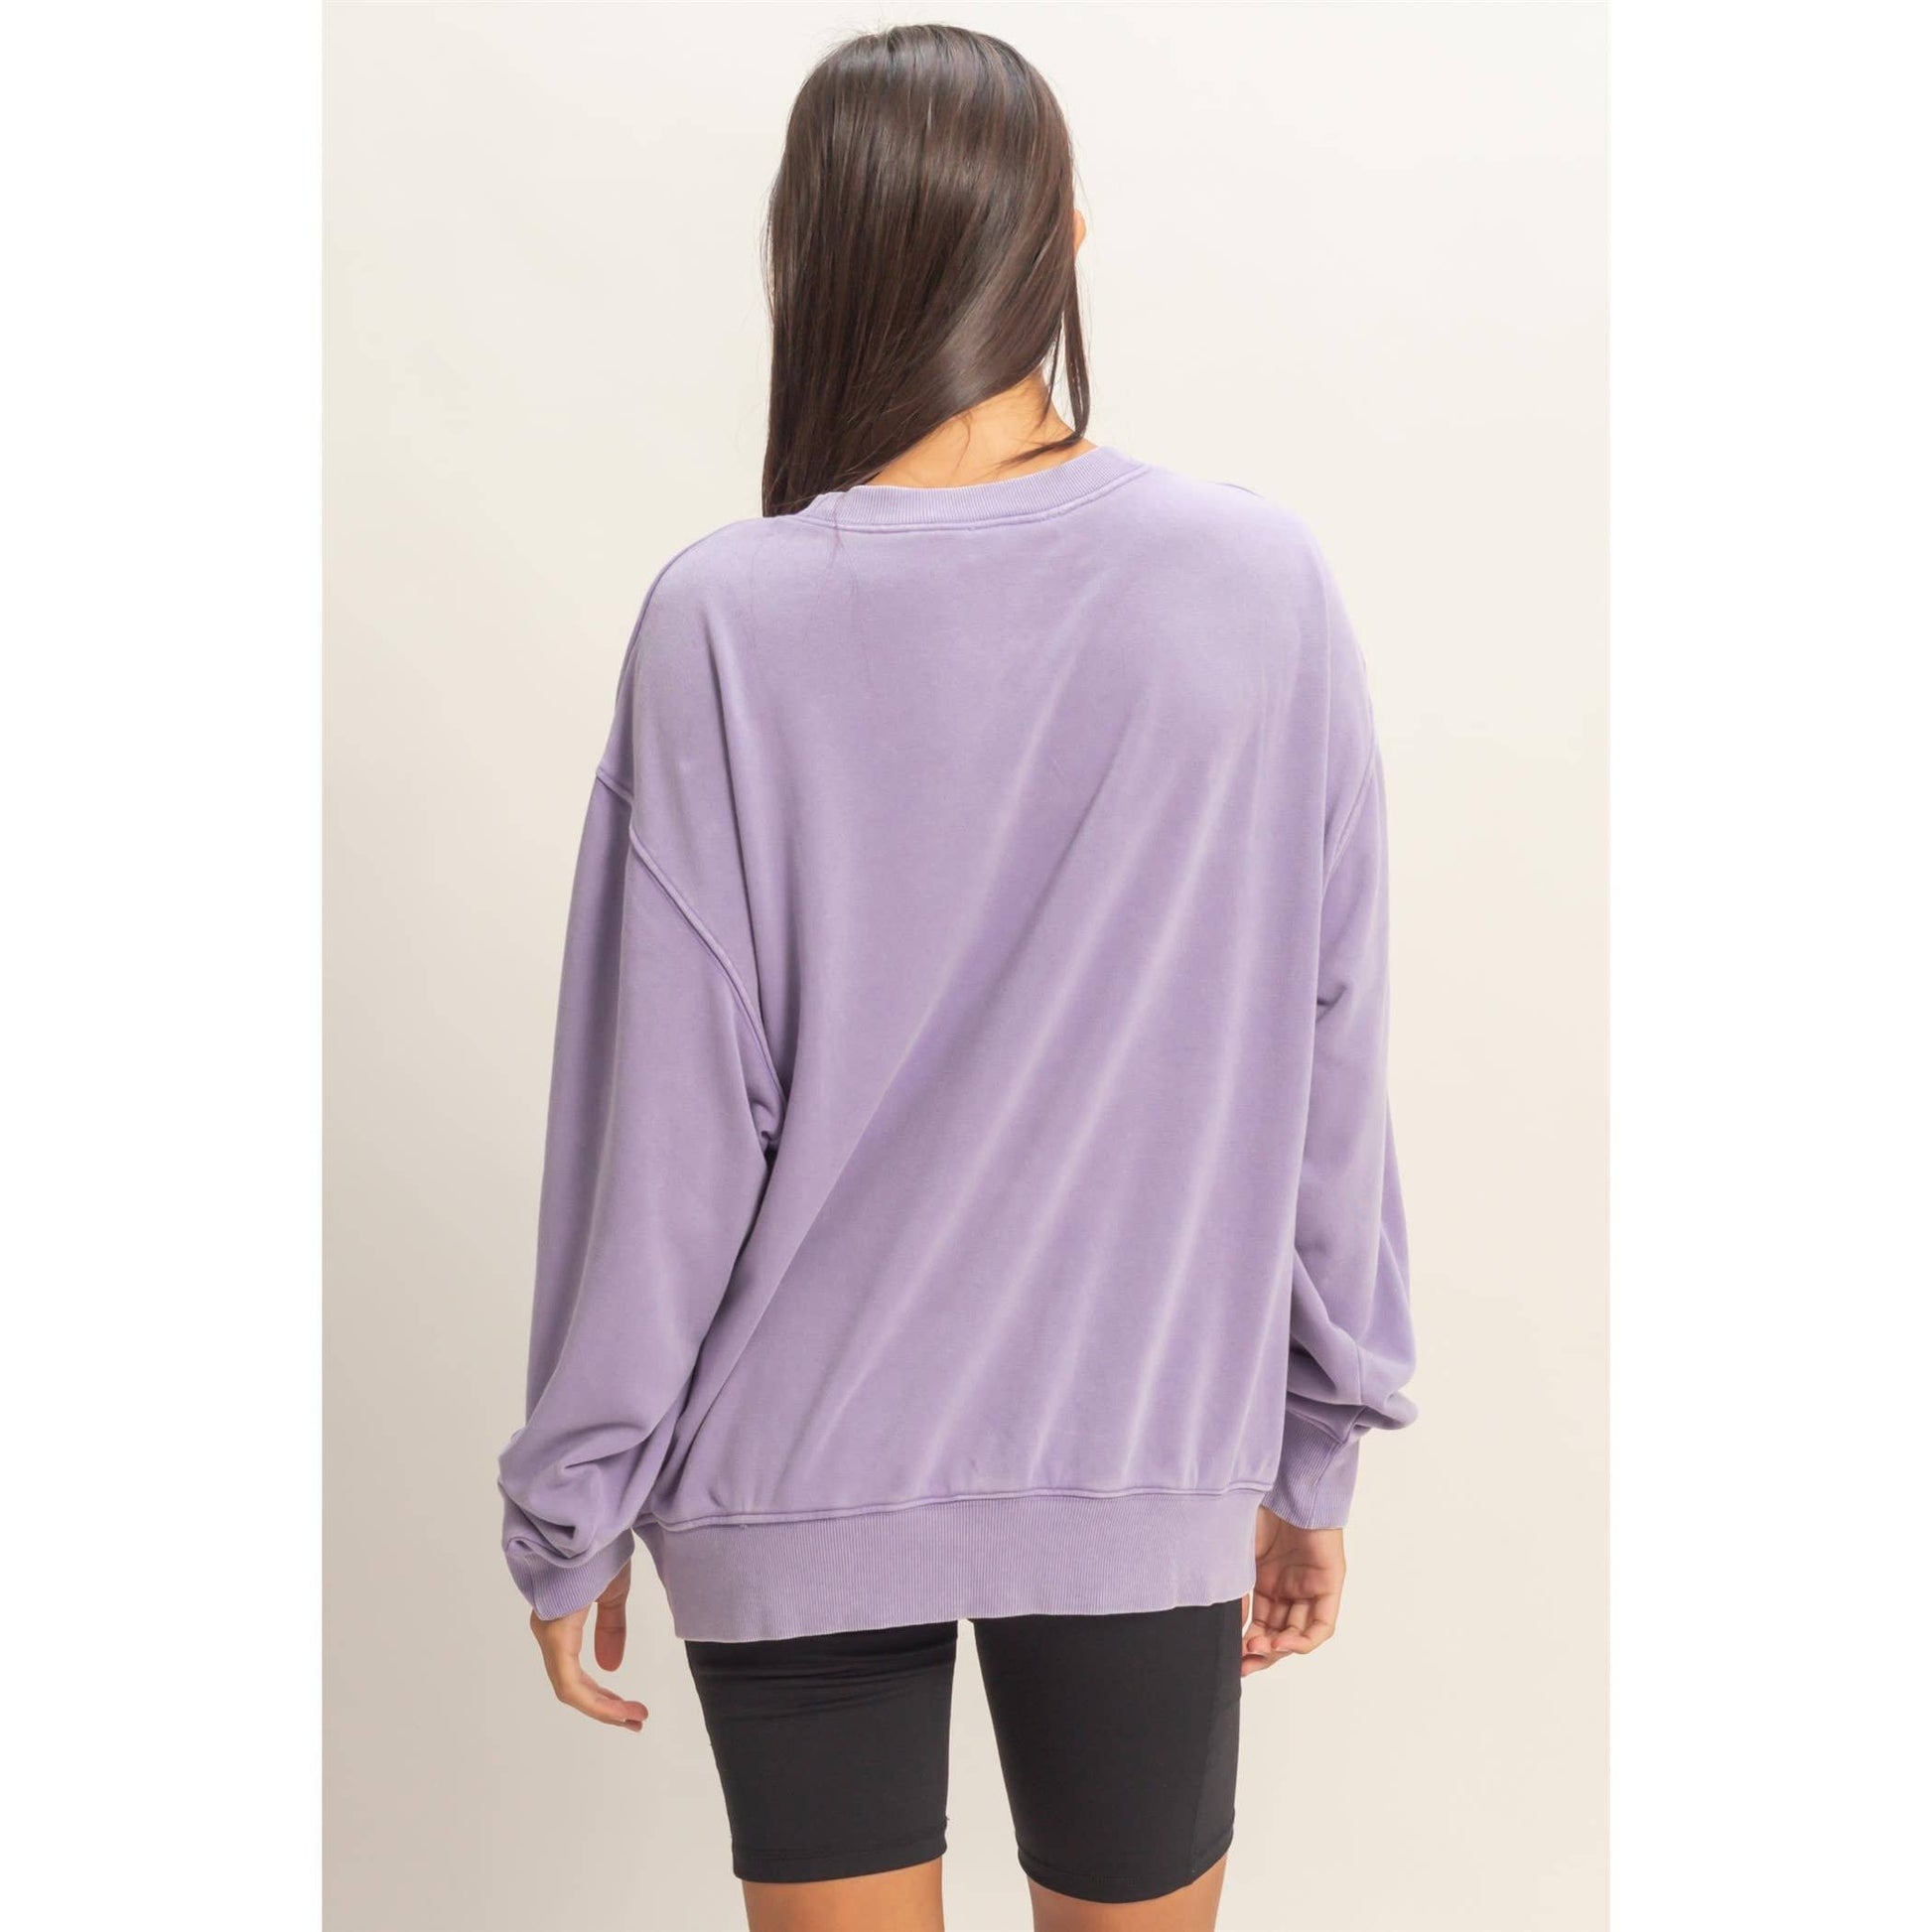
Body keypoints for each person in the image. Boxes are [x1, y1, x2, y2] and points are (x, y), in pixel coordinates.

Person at [496, 22, 1416, 1932]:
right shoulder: (1257, 585)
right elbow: (1325, 1055)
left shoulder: (724, 617)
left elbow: (666, 1127)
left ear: (809, 254)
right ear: (1065, 238)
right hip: (1139, 1446)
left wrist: (573, 1495)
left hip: (792, 1466)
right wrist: (1311, 1439)